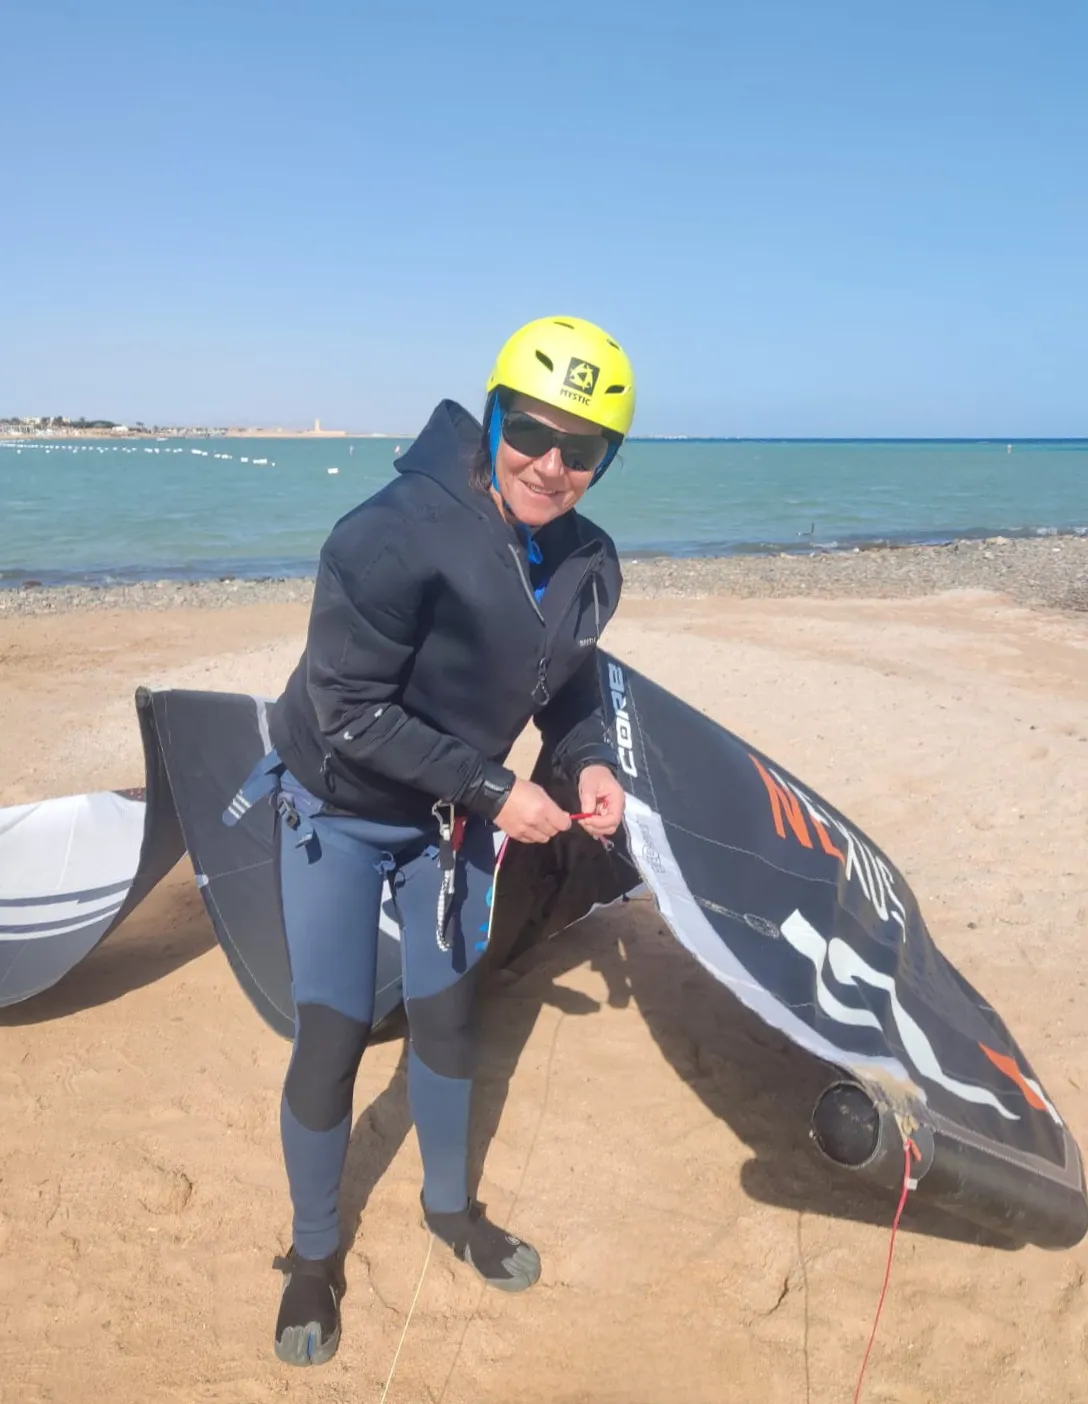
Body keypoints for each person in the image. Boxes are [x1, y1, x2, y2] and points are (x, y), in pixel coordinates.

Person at [234, 315, 636, 1366]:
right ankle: (314, 1255)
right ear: (492, 413)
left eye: (580, 447)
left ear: (605, 460)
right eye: (530, 431)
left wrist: (585, 759)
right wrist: (500, 792)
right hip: (345, 812)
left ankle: (449, 1210)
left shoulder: (587, 559)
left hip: (450, 822)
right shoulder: (389, 532)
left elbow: (575, 678)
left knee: (447, 1021)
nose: (548, 464)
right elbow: (347, 710)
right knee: (328, 1041)